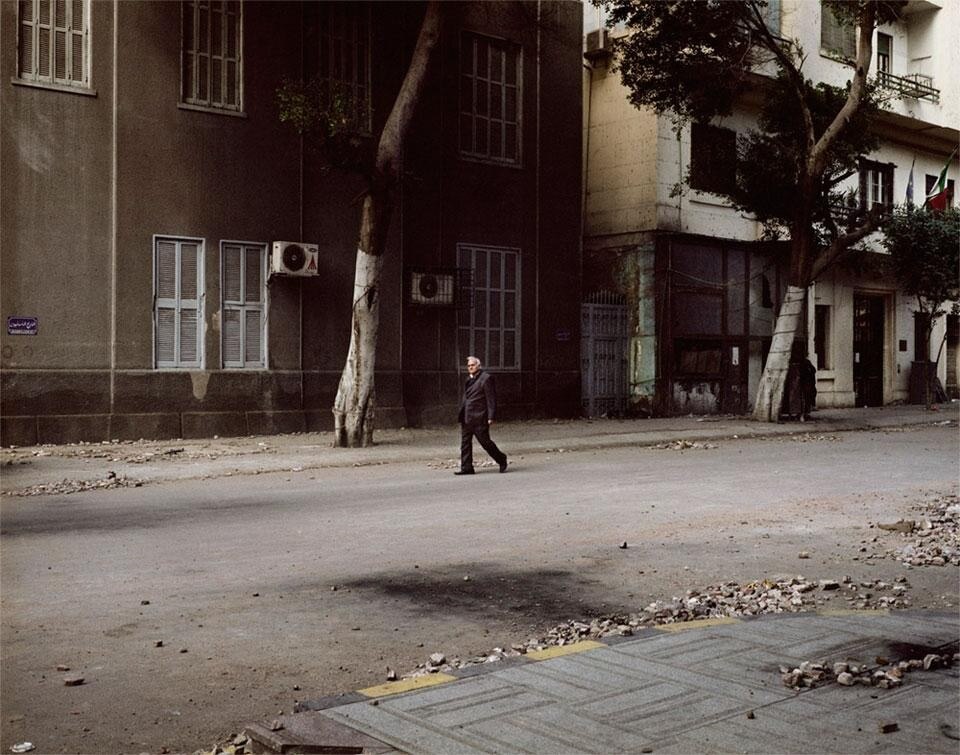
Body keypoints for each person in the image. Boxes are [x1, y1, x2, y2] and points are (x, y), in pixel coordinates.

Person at [455, 356, 508, 475]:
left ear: (479, 365)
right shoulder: (468, 378)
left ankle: (501, 459)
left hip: (480, 417)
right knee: (465, 443)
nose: (470, 367)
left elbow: (491, 399)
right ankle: (467, 467)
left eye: (472, 365)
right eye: (468, 366)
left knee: (485, 442)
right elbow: (466, 397)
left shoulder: (486, 378)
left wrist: (491, 416)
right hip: (467, 416)